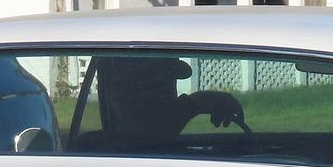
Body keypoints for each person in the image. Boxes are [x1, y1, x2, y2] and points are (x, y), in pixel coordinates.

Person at [93, 56, 244, 146]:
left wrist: (195, 103)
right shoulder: (95, 150)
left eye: (165, 84)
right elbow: (151, 131)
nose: (160, 94)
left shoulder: (90, 148)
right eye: (151, 86)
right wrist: (194, 104)